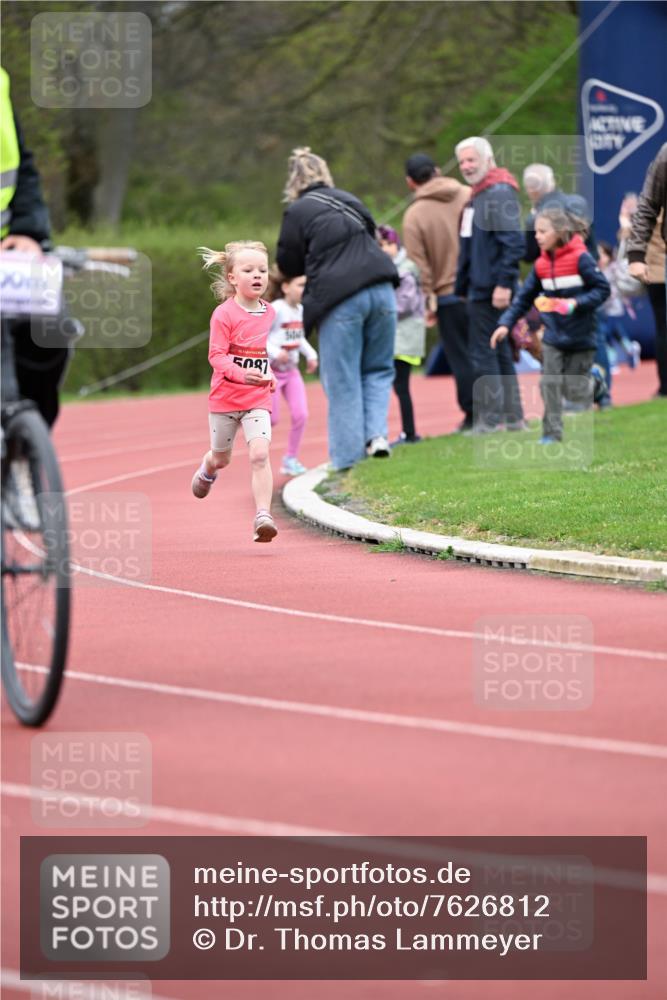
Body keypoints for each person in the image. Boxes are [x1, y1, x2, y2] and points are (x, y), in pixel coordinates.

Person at [276, 147, 398, 471]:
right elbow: (372, 237)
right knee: (379, 369)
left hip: (341, 298)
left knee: (342, 379)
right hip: (383, 289)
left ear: (294, 181)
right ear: (325, 173)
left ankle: (346, 462)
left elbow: (287, 262)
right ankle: (377, 436)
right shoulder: (350, 199)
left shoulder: (298, 211)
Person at [490, 207, 610, 444]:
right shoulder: (541, 265)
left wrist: (575, 304)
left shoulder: (581, 258)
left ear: (560, 232)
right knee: (549, 383)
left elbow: (602, 289)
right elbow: (523, 299)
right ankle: (551, 433)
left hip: (582, 335)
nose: (537, 236)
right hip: (554, 335)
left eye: (542, 231)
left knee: (574, 391)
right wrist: (505, 324)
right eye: (536, 231)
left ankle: (595, 383)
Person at [190, 240, 279, 544]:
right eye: (249, 270)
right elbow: (216, 356)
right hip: (226, 398)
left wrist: (272, 376)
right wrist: (243, 375)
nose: (258, 275)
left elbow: (269, 353)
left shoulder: (271, 314)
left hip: (258, 398)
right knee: (222, 458)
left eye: (263, 270)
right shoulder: (224, 314)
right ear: (232, 277)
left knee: (259, 453)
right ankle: (208, 468)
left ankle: (263, 516)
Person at [0, 66, 70, 428]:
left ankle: (26, 444)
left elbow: (20, 166)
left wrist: (28, 232)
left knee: (51, 323)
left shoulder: (0, 80)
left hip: (7, 250)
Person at [454, 136, 525, 432]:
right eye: (462, 162)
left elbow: (514, 243)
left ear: (488, 159)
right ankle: (513, 417)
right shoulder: (478, 195)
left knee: (485, 351)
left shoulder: (498, 193)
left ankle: (491, 419)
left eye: (471, 160)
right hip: (480, 287)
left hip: (493, 288)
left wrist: (504, 285)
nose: (467, 167)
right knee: (498, 350)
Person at [401, 153, 474, 431]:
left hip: (447, 295)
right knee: (487, 351)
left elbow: (419, 267)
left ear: (410, 182)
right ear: (438, 170)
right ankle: (504, 410)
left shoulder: (414, 216)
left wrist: (428, 301)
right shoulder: (469, 195)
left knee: (461, 357)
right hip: (480, 290)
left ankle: (473, 415)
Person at [265, 269, 318, 476]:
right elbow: (260, 337)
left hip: (292, 371)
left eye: (306, 285)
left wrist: (311, 355)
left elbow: (299, 337)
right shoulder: (277, 309)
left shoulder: (300, 310)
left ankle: (290, 459)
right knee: (272, 419)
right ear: (286, 287)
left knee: (301, 414)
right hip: (273, 372)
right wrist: (276, 353)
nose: (304, 290)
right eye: (300, 285)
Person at [377, 224, 425, 445]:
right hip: (396, 334)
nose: (385, 249)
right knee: (397, 386)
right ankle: (407, 432)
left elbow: (406, 303)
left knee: (401, 386)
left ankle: (410, 432)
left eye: (389, 244)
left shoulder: (405, 269)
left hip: (405, 335)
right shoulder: (386, 269)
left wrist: (381, 312)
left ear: (397, 244)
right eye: (381, 245)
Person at [626, 145, 667, 397]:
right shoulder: (666, 155)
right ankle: (665, 388)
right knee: (664, 325)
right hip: (659, 263)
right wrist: (636, 255)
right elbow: (647, 206)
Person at [522, 163, 598, 261]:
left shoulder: (534, 218)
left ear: (531, 190)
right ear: (552, 181)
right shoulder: (579, 202)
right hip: (588, 268)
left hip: (557, 273)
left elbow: (529, 255)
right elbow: (592, 247)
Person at [597, 240, 641, 370]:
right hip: (602, 309)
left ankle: (616, 356)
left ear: (609, 256)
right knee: (612, 333)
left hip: (614, 308)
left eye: (602, 255)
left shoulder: (613, 268)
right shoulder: (596, 270)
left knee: (608, 332)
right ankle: (626, 350)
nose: (599, 258)